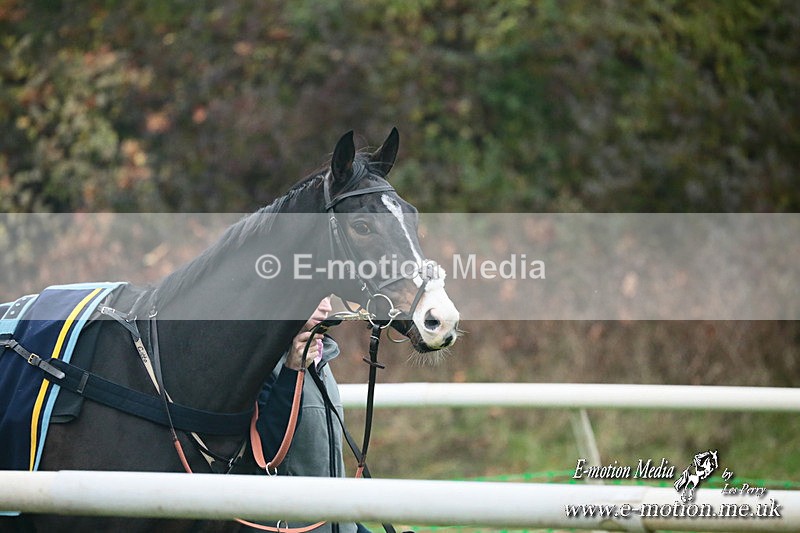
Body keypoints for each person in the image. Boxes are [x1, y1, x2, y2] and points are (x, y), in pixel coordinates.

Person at [252, 297, 367, 533]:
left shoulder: (324, 359)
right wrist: (292, 371)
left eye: (327, 298)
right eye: (316, 298)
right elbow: (268, 454)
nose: (326, 308)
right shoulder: (261, 365)